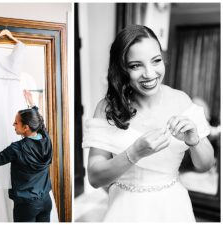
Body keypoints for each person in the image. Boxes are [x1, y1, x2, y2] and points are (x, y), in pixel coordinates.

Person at [82, 25, 214, 222]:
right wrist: (134, 153)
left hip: (172, 207)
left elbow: (205, 165)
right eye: (136, 65)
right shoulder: (107, 108)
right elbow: (94, 178)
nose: (150, 73)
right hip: (125, 210)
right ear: (122, 68)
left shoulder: (182, 101)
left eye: (156, 61)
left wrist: (195, 141)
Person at [0, 90, 53, 222]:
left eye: (16, 122)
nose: (13, 124)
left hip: (26, 206)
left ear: (26, 127)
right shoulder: (46, 138)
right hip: (46, 201)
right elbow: (39, 124)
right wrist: (32, 104)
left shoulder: (17, 148)